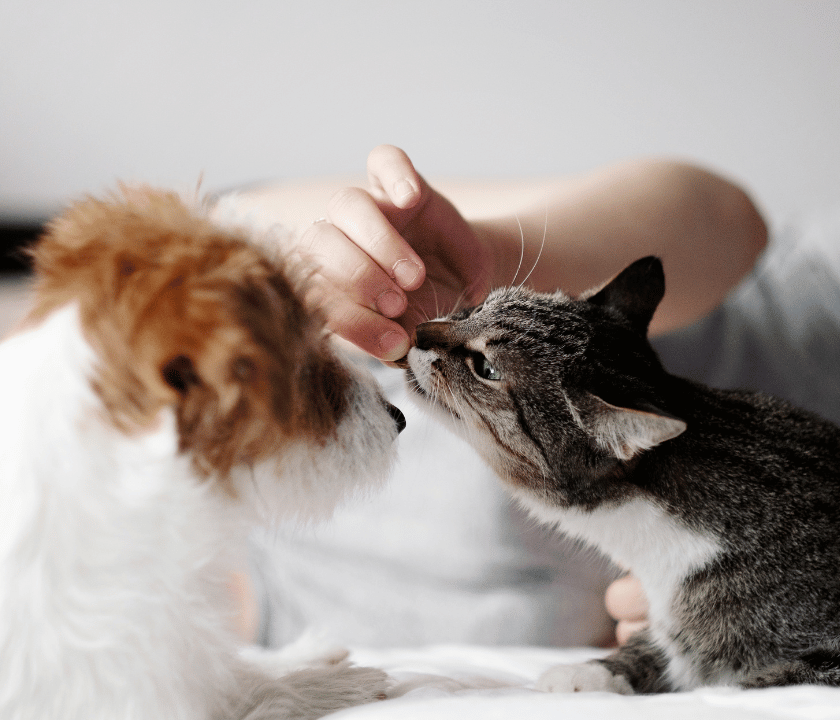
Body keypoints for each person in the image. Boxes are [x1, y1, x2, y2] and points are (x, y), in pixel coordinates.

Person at [220, 144, 771, 648]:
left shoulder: (223, 280)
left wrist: (485, 263)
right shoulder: (292, 656)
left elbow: (728, 217)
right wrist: (674, 629)